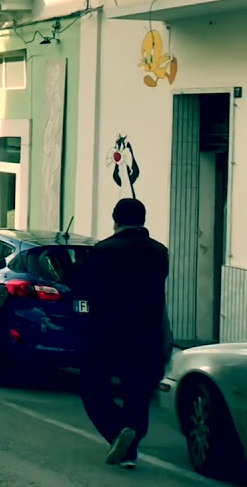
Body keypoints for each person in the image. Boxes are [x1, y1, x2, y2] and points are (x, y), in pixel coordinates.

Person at [76, 198, 170, 469]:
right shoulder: (158, 252)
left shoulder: (103, 251)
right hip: (146, 335)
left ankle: (118, 431)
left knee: (93, 389)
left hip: (106, 335)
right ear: (143, 220)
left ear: (114, 219)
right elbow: (158, 295)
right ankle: (129, 445)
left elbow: (86, 287)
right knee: (137, 393)